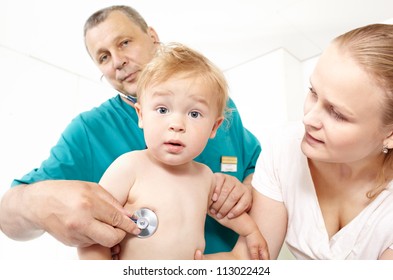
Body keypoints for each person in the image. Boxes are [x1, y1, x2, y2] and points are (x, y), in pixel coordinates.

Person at [0, 5, 261, 255]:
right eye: (103, 57)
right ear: (140, 116)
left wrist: (247, 188)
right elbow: (7, 216)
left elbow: (257, 164)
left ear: (152, 37)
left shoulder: (220, 107)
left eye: (124, 42)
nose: (117, 62)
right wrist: (37, 204)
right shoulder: (88, 131)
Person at [198, 23, 393, 260]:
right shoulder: (284, 150)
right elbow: (250, 260)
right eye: (313, 92)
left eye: (337, 114)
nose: (308, 119)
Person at [77, 43, 268, 260]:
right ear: (141, 115)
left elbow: (226, 214)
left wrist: (251, 232)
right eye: (162, 110)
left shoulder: (204, 176)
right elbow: (92, 231)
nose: (177, 124)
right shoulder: (129, 167)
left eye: (194, 114)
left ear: (214, 128)